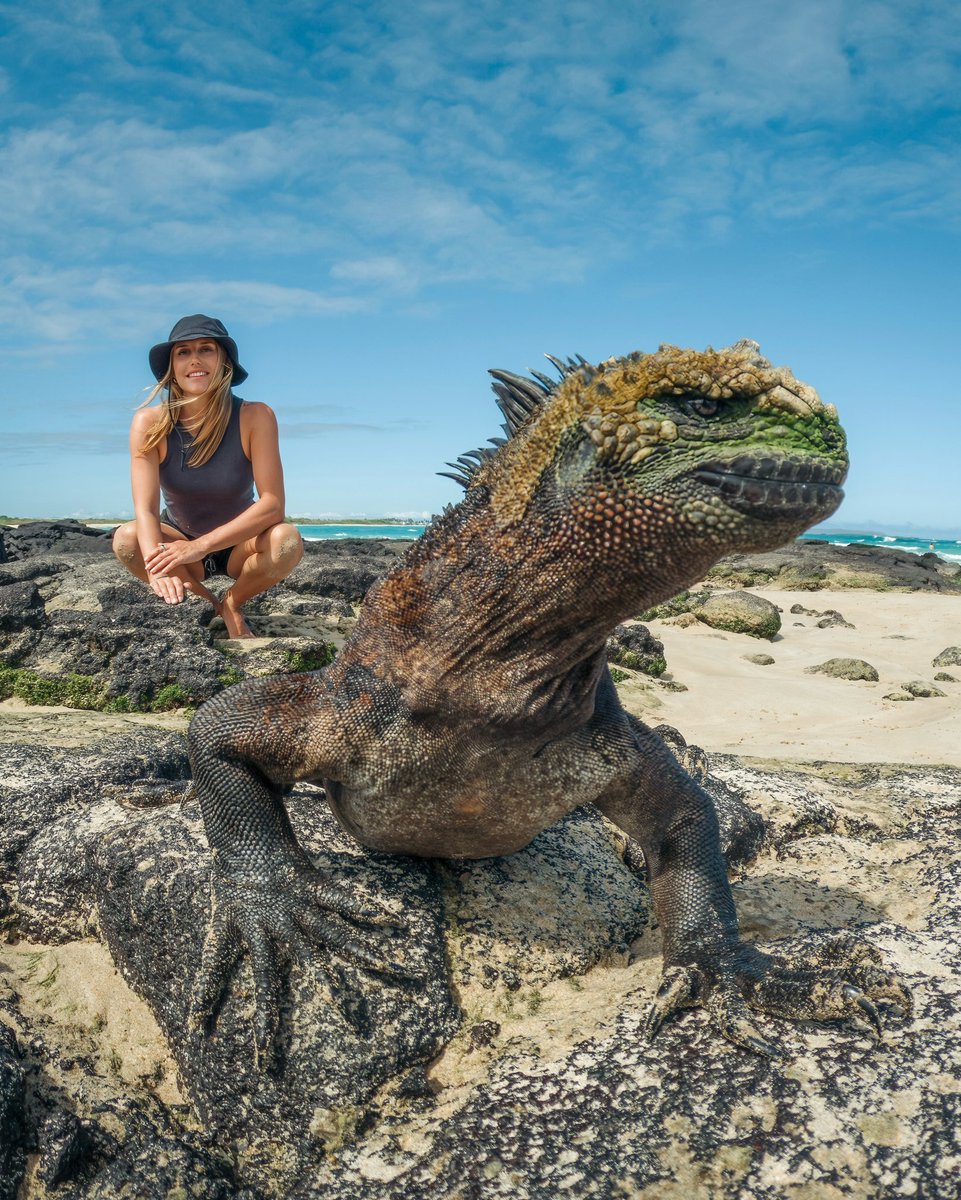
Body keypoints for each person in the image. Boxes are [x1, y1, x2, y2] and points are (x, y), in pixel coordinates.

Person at [112, 314, 304, 638]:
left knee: (286, 541)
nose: (195, 360)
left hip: (239, 544)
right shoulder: (149, 423)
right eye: (183, 352)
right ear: (172, 365)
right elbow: (145, 510)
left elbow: (272, 505)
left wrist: (201, 546)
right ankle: (208, 604)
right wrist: (157, 566)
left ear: (224, 361)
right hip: (178, 541)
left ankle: (232, 603)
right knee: (127, 540)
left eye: (206, 349)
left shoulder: (255, 416)